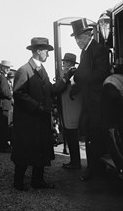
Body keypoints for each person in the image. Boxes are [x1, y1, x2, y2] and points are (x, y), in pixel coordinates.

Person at [11, 37, 76, 191]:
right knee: (25, 151)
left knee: (40, 150)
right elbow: (18, 94)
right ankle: (18, 182)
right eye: (46, 51)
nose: (47, 54)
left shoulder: (41, 69)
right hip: (28, 121)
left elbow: (51, 90)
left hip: (39, 120)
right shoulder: (24, 70)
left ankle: (37, 181)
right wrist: (38, 107)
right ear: (38, 51)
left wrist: (66, 79)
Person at [69, 18, 111, 181]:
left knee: (95, 135)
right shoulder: (85, 51)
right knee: (90, 134)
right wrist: (75, 88)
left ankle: (95, 169)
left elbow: (101, 74)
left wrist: (78, 80)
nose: (78, 41)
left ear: (88, 34)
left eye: (80, 37)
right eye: (76, 38)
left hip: (98, 102)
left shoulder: (99, 50)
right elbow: (83, 74)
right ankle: (93, 168)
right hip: (89, 100)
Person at [60, 53, 81, 170]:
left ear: (70, 63)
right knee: (72, 138)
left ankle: (75, 163)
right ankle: (74, 161)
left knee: (72, 138)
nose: (63, 64)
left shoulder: (70, 73)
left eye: (65, 62)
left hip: (71, 109)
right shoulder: (74, 73)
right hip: (70, 108)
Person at [0, 60, 13, 152]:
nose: (8, 69)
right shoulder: (2, 78)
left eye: (9, 68)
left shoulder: (2, 77)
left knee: (3, 126)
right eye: (6, 67)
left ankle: (2, 145)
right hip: (4, 105)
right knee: (3, 127)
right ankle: (3, 146)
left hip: (3, 105)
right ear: (2, 67)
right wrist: (11, 95)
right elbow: (4, 92)